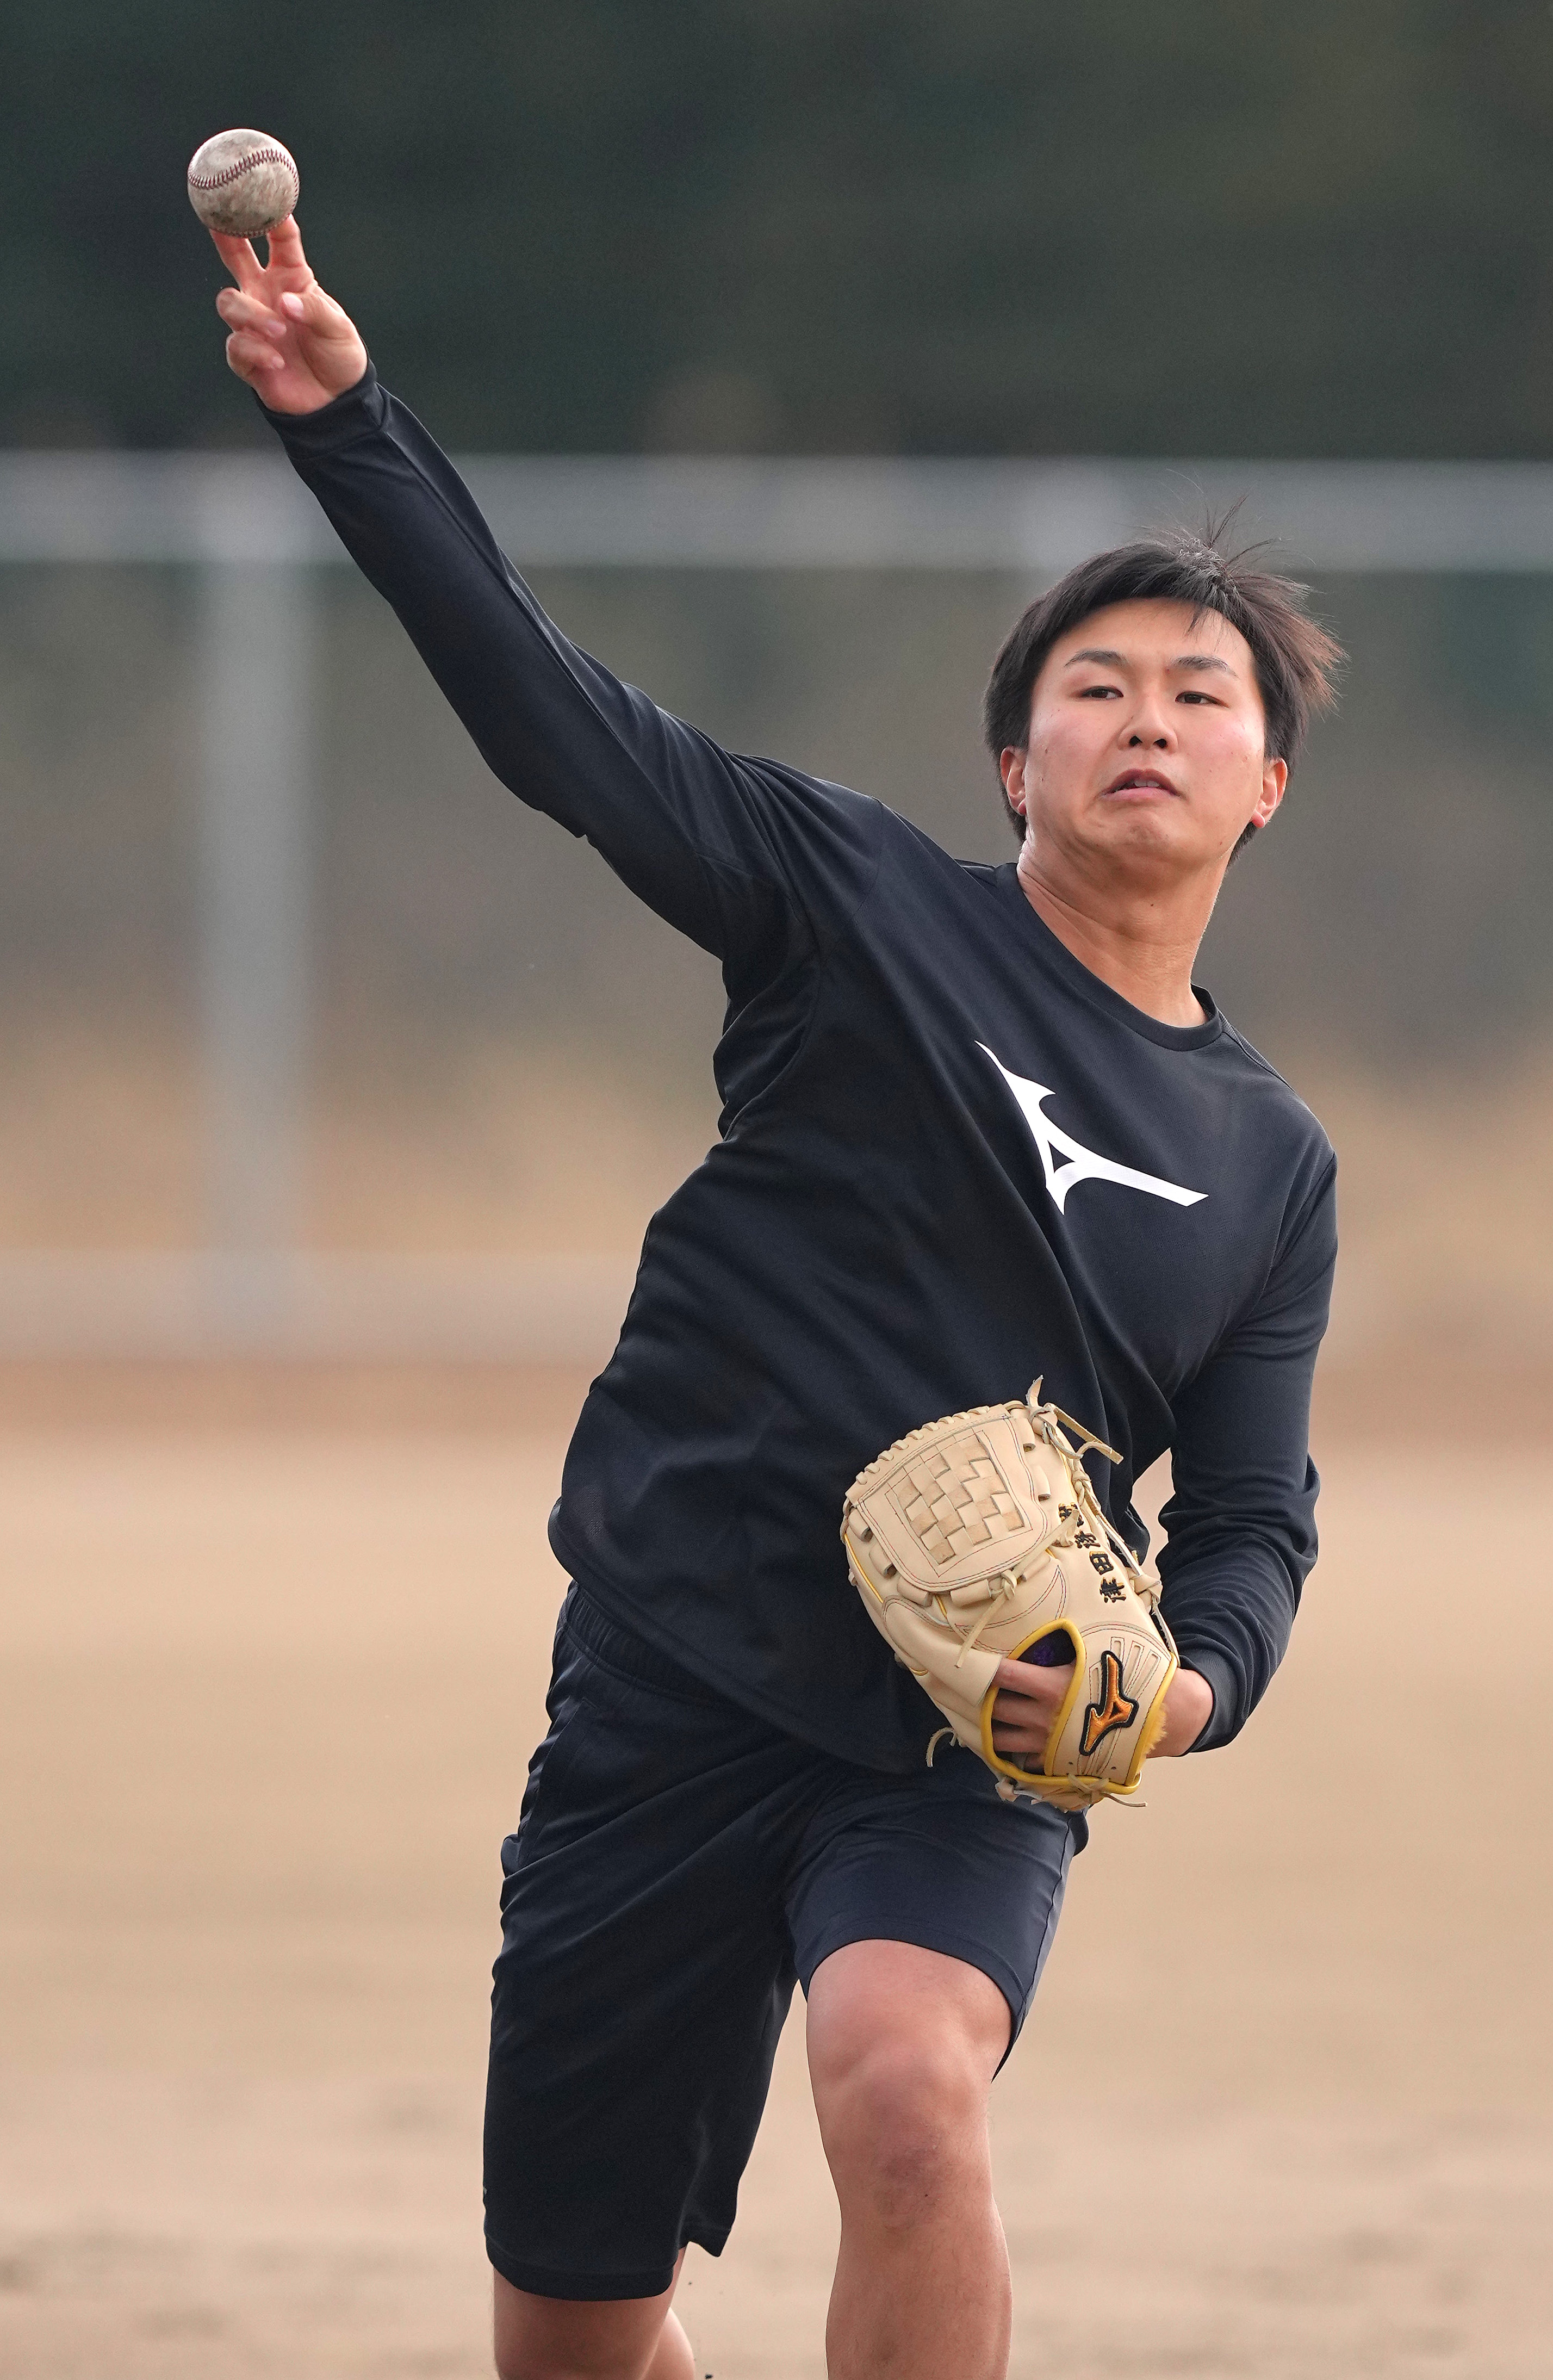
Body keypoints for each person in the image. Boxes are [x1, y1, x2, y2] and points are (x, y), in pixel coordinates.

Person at [210, 217, 1344, 2380]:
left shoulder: (1270, 1162)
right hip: (667, 1668)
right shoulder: (846, 902)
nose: (1146, 718)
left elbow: (1259, 1523)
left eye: (1203, 694)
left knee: (908, 2083)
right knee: (573, 2330)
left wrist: (1175, 1695)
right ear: (1011, 760)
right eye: (1090, 684)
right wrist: (344, 422)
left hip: (965, 1719)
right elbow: (547, 715)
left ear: (1263, 784)